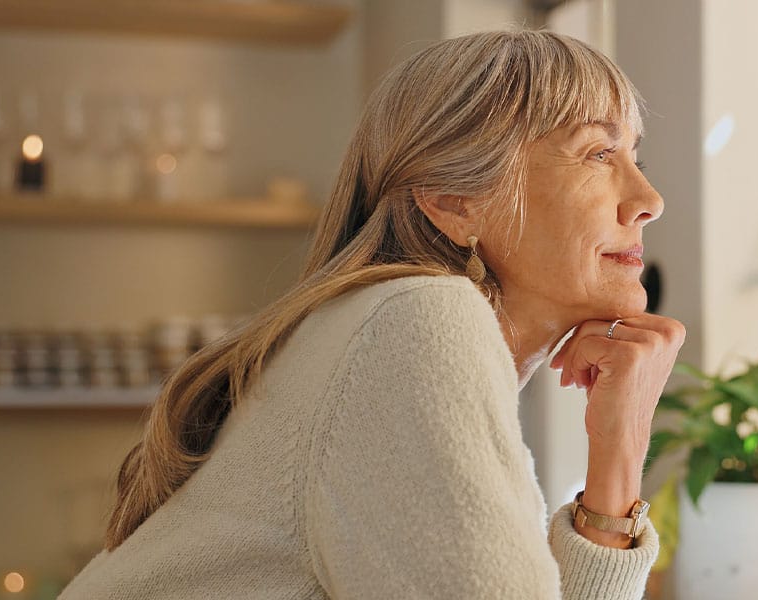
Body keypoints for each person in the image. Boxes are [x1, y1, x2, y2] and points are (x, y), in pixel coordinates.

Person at [59, 29, 685, 599]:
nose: (649, 200)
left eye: (637, 159)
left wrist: (620, 450)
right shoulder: (416, 321)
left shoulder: (395, 332)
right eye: (599, 155)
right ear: (453, 200)